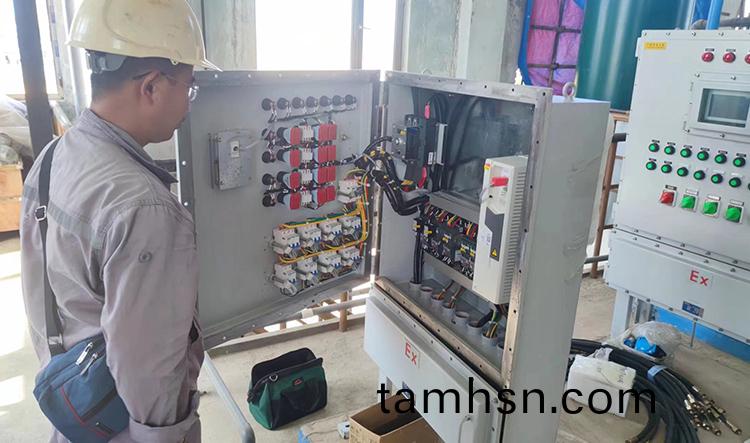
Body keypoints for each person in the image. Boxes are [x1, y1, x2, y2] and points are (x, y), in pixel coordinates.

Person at [19, 0, 219, 441]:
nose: (188, 105)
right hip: (126, 426)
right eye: (188, 87)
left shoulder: (52, 158)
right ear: (152, 86)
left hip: (75, 401)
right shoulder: (145, 209)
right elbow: (150, 370)